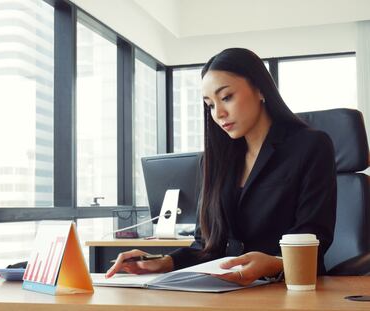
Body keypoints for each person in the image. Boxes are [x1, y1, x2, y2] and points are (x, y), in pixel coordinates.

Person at [106, 48, 337, 286]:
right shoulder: (216, 161)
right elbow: (206, 245)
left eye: (226, 97)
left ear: (260, 89)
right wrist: (163, 261)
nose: (219, 113)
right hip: (227, 289)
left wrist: (274, 263)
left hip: (290, 288)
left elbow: (313, 239)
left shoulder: (310, 146)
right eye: (210, 105)